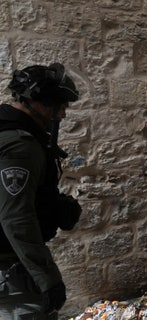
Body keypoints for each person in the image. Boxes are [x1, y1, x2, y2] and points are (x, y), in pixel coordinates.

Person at [0, 63, 82, 319]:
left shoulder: (8, 129)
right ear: (42, 103)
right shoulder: (20, 145)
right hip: (10, 271)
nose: (63, 115)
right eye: (61, 106)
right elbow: (16, 217)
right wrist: (49, 280)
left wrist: (53, 204)